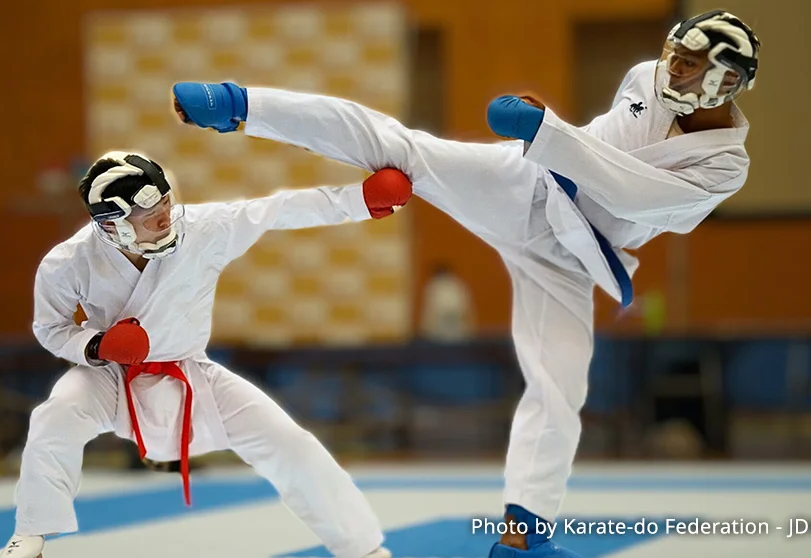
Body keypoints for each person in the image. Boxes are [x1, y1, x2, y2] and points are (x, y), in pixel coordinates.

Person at [170, 9, 760, 558]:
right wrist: (544, 136)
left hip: (574, 256)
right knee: (400, 145)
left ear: (725, 82)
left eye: (690, 64)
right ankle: (240, 105)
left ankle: (522, 538)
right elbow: (600, 146)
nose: (673, 69)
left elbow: (632, 192)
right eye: (675, 55)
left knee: (560, 386)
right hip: (529, 186)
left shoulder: (725, 166)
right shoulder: (645, 77)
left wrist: (547, 130)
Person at [0, 150, 412, 558]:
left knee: (291, 444)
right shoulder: (68, 261)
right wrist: (95, 345)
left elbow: (277, 209)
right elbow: (50, 328)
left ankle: (362, 548)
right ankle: (30, 533)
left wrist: (360, 200)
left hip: (193, 371)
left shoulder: (202, 230)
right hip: (112, 376)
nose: (164, 216)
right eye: (149, 215)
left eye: (164, 203)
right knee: (56, 414)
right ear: (113, 225)